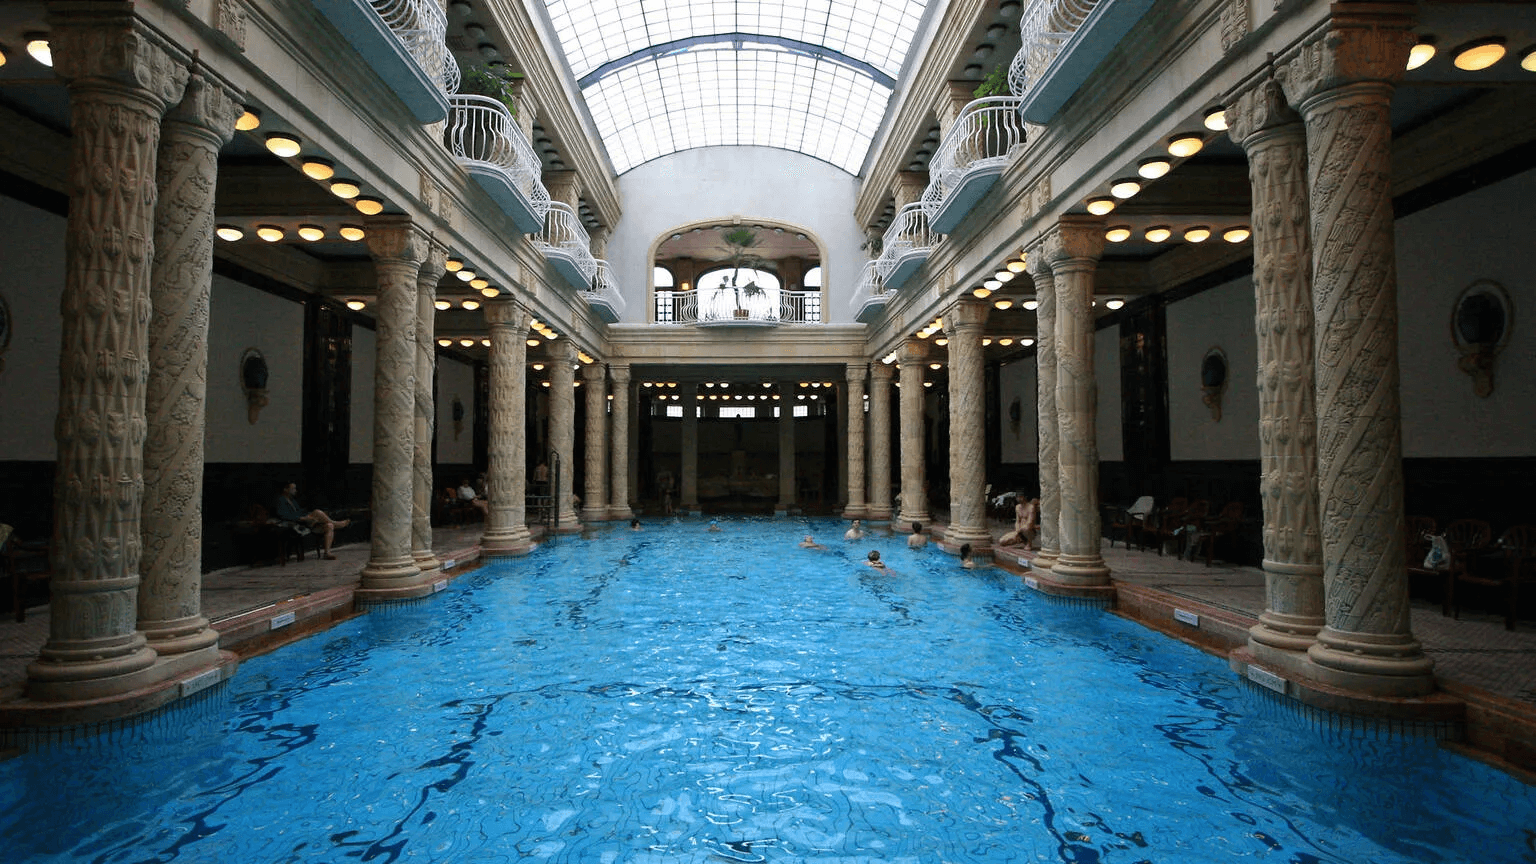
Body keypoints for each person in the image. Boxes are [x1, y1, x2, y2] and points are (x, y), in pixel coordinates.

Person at [275, 482, 349, 560]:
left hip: (306, 523)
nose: (295, 490)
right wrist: (301, 518)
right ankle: (337, 524)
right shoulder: (280, 501)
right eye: (293, 488)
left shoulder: (292, 501)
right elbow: (283, 515)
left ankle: (327, 553)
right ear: (285, 489)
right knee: (317, 512)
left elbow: (300, 511)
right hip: (296, 525)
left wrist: (307, 516)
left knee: (329, 526)